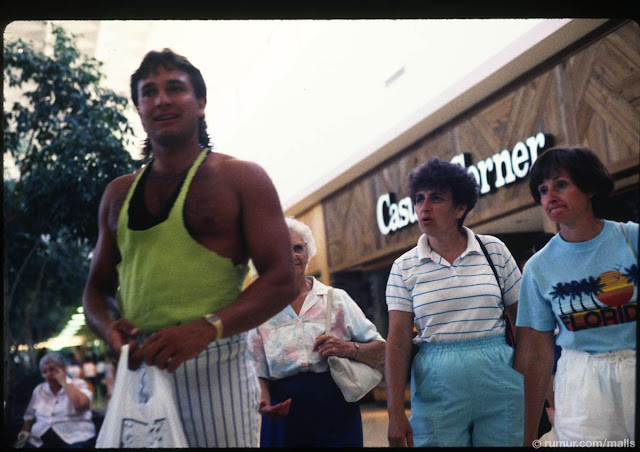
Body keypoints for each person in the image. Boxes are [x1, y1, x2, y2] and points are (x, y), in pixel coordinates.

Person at [82, 48, 296, 447]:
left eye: (174, 88)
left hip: (216, 365)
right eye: (149, 92)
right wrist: (110, 328)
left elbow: (282, 278)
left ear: (200, 103)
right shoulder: (117, 194)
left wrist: (208, 328)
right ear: (139, 109)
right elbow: (95, 290)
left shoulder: (241, 178)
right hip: (142, 368)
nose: (161, 99)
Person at [385, 157, 524, 447]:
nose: (424, 206)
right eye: (419, 198)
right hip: (436, 382)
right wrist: (395, 412)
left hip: (500, 376)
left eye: (436, 198)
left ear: (460, 208)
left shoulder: (494, 250)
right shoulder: (403, 267)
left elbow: (524, 324)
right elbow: (397, 342)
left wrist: (539, 385)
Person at [515, 147, 637, 445]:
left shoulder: (632, 238)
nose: (550, 196)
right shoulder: (538, 267)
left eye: (561, 184)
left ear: (589, 188)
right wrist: (528, 432)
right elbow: (538, 354)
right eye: (543, 190)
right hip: (582, 383)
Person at [248, 217, 386, 447]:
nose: (292, 255)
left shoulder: (336, 299)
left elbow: (381, 351)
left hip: (336, 411)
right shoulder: (261, 309)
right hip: (282, 412)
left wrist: (346, 348)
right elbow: (256, 369)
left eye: (298, 248)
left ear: (308, 252)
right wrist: (264, 404)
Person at [15, 352, 96, 448]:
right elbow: (29, 416)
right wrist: (23, 435)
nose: (48, 374)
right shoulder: (39, 389)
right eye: (45, 371)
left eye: (53, 369)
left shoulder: (78, 384)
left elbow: (81, 405)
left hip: (74, 435)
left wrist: (64, 382)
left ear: (63, 369)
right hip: (41, 436)